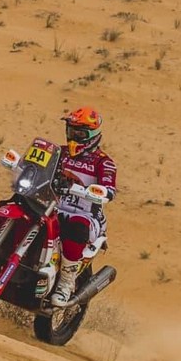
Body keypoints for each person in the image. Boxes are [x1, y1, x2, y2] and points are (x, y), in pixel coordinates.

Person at [52, 106, 118, 307]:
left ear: (92, 135)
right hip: (54, 207)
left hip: (87, 216)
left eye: (79, 133)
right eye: (71, 131)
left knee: (76, 227)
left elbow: (110, 189)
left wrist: (100, 191)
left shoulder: (104, 163)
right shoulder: (59, 153)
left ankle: (65, 283)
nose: (73, 136)